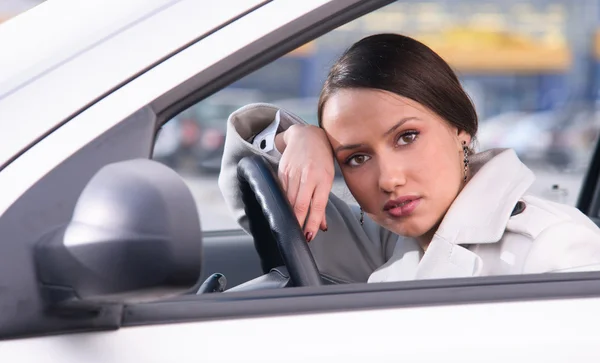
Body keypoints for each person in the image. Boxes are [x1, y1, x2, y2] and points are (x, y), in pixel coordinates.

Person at [218, 33, 600, 284]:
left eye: (407, 137)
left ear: (460, 130)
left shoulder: (556, 245)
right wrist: (295, 137)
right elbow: (267, 210)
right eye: (356, 158)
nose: (388, 179)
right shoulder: (389, 240)